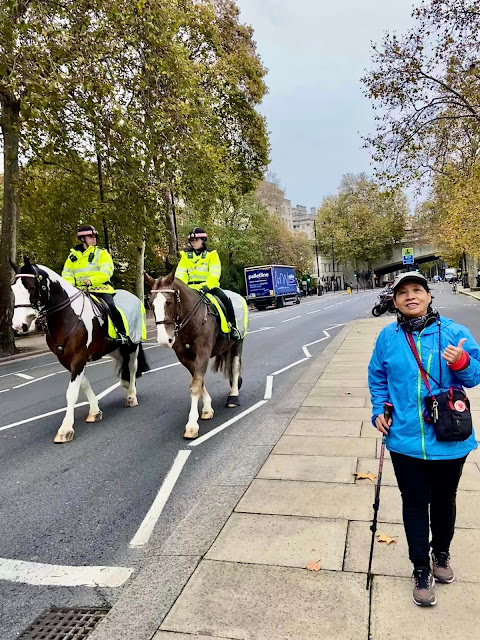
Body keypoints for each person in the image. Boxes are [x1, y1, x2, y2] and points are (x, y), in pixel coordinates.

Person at [368, 271, 480, 607]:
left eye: (417, 290)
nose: (411, 296)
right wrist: (378, 410)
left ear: (429, 296)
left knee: (444, 501)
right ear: (395, 300)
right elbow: (377, 378)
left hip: (449, 437)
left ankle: (441, 554)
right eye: (403, 292)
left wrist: (461, 361)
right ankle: (420, 568)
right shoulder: (387, 337)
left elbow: (475, 375)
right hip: (404, 439)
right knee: (415, 504)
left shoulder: (455, 333)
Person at [62, 225, 127, 343]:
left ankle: (121, 334)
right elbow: (67, 273)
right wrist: (70, 285)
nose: (94, 239)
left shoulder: (102, 253)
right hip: (78, 292)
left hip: (100, 289)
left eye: (95, 236)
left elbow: (106, 272)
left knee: (111, 307)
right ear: (82, 239)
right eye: (91, 236)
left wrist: (92, 280)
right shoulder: (72, 256)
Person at [175, 227, 240, 340]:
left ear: (203, 240)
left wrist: (208, 286)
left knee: (225, 300)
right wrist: (182, 287)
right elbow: (180, 274)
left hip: (208, 287)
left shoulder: (212, 255)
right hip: (190, 289)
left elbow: (214, 273)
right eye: (192, 240)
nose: (194, 242)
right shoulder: (185, 256)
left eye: (197, 240)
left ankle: (233, 327)